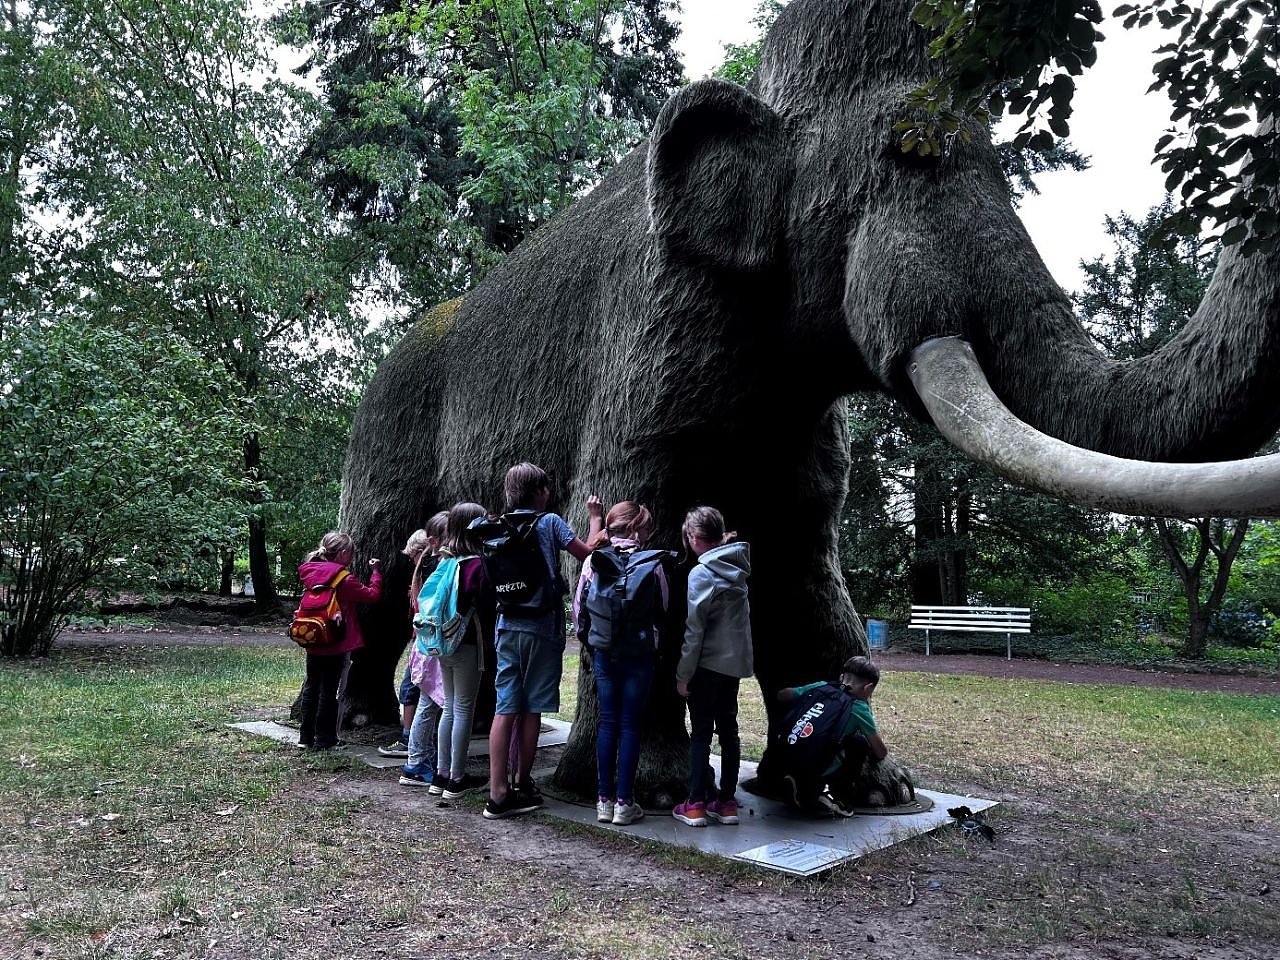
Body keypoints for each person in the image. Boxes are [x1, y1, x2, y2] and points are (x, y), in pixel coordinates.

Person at [482, 462, 603, 820]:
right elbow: (587, 553)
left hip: (506, 626)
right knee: (531, 706)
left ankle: (497, 792)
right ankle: (522, 782)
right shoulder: (549, 522)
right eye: (546, 488)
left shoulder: (497, 526)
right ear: (539, 492)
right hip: (542, 627)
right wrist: (595, 518)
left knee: (505, 706)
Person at [573, 501, 670, 826]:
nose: (648, 532)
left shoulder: (594, 560)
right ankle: (624, 803)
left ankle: (603, 801)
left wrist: (590, 643)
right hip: (639, 656)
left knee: (607, 724)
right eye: (646, 527)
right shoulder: (653, 564)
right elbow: (663, 609)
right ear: (634, 529)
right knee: (630, 726)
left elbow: (579, 610)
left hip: (604, 653)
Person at [673, 506, 753, 828]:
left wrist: (683, 675)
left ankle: (694, 805)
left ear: (693, 537)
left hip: (706, 666)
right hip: (732, 667)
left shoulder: (701, 573)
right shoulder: (738, 566)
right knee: (729, 732)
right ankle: (727, 803)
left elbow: (695, 630)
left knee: (702, 734)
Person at [428, 502, 495, 800]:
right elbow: (485, 604)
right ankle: (456, 778)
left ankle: (440, 774)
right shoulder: (476, 564)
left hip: (442, 640)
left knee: (449, 706)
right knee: (464, 708)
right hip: (467, 640)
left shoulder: (444, 561)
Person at [296, 531, 382, 750]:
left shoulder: (310, 572)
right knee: (329, 691)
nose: (352, 557)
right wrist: (375, 573)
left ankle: (305, 738)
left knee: (311, 687)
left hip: (313, 638)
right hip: (335, 641)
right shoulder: (343, 578)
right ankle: (325, 739)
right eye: (351, 553)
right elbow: (371, 595)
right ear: (343, 553)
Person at [774, 656, 888, 814]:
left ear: (841, 677)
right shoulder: (859, 708)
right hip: (816, 765)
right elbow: (880, 751)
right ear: (868, 688)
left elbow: (782, 695)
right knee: (859, 744)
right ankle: (835, 794)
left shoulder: (821, 686)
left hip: (783, 753)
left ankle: (795, 780)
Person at [382, 512, 448, 760]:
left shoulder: (431, 572)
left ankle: (412, 743)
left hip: (427, 643)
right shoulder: (432, 572)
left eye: (412, 557)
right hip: (427, 642)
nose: (412, 562)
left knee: (414, 690)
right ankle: (419, 745)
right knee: (418, 691)